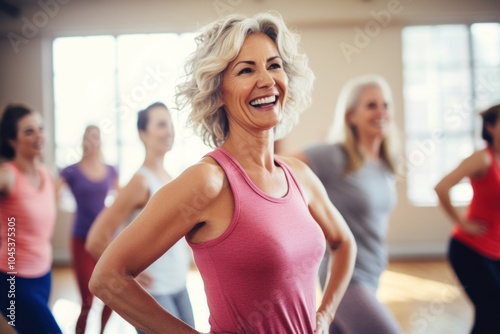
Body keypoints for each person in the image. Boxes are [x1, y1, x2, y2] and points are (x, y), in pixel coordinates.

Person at [89, 11, 356, 334]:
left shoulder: (299, 175)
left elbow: (343, 243)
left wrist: (325, 315)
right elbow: (108, 278)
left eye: (274, 65)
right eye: (246, 70)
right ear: (218, 94)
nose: (267, 80)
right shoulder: (208, 181)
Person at [294, 74, 402, 334]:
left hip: (373, 272)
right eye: (371, 105)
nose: (381, 112)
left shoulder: (386, 163)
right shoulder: (333, 155)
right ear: (351, 116)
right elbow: (278, 168)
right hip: (345, 275)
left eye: (385, 105)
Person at [85, 102, 195, 332]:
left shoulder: (169, 177)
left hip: (178, 284)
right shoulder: (140, 182)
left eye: (170, 124)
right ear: (143, 134)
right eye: (161, 125)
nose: (169, 131)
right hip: (153, 292)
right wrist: (125, 275)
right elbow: (96, 239)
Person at [434, 104, 500, 334]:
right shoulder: (482, 159)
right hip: (470, 250)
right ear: (490, 127)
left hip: (497, 251)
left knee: (489, 315)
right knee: (494, 313)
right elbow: (442, 187)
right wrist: (461, 222)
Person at [0, 104, 62, 334]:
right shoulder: (7, 176)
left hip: (44, 275)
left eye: (41, 128)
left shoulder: (48, 173)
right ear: (12, 140)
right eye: (29, 131)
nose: (39, 136)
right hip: (15, 282)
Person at [57, 125, 118, 334]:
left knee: (111, 293)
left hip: (104, 239)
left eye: (96, 136)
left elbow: (124, 201)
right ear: (83, 141)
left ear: (101, 141)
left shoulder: (111, 170)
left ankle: (101, 332)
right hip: (81, 238)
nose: (93, 140)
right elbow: (50, 193)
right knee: (87, 298)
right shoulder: (71, 170)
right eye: (89, 137)